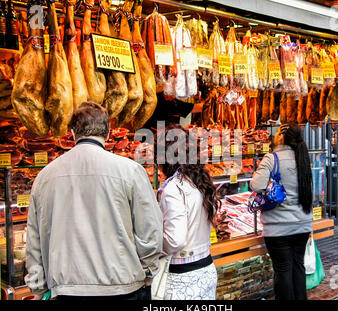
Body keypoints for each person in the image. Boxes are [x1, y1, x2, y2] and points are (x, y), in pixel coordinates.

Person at [25, 102, 163, 300]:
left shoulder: (45, 176)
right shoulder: (130, 171)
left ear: (72, 133)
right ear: (108, 134)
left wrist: (38, 286)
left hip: (67, 290)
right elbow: (150, 229)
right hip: (123, 286)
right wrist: (149, 270)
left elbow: (34, 238)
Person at [249, 123, 313, 300]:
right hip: (303, 225)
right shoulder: (303, 158)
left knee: (283, 270)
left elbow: (256, 185)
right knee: (298, 267)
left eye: (276, 132)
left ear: (282, 137)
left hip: (278, 228)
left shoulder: (272, 158)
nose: (273, 135)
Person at [157, 124, 220, 300]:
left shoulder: (173, 188)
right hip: (206, 268)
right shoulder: (200, 180)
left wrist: (152, 240)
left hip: (183, 276)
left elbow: (174, 240)